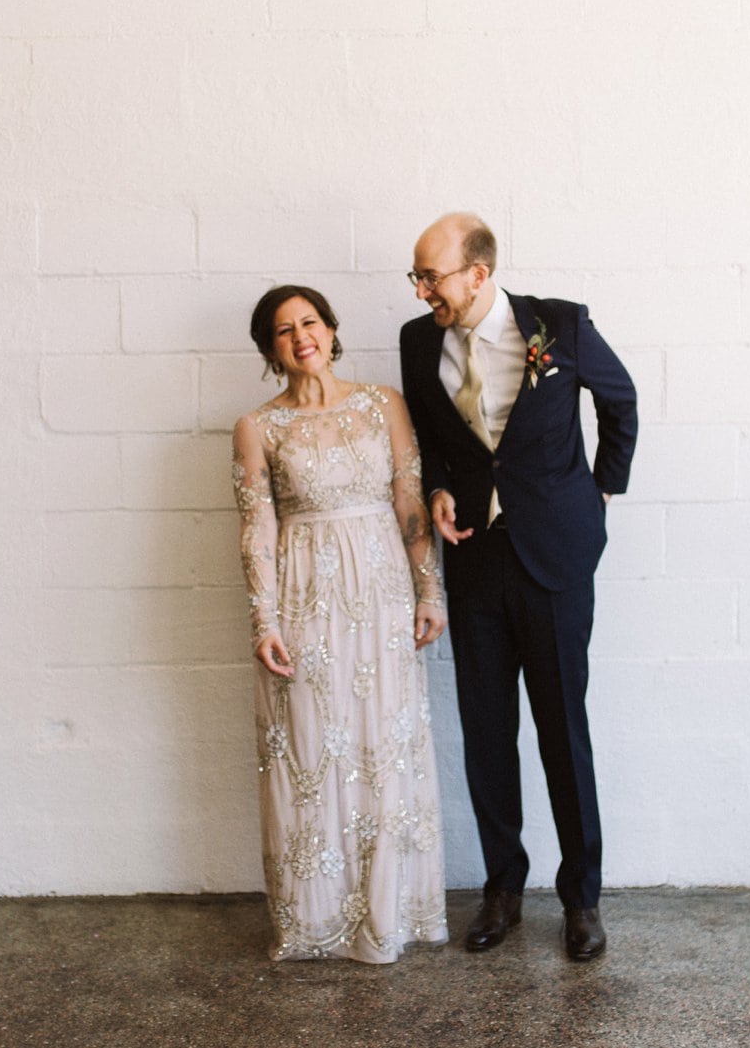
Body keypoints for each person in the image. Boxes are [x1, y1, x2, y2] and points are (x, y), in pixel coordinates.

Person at [398, 213, 638, 962]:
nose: (422, 288)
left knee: (564, 729)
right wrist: (437, 487)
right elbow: (434, 441)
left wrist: (600, 492)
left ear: (478, 271)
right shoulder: (416, 340)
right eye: (417, 276)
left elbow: (620, 399)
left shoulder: (558, 325)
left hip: (556, 558)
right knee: (487, 732)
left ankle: (582, 898)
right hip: (475, 561)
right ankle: (503, 886)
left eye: (431, 274)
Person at [232, 283, 450, 963]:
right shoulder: (257, 426)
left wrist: (429, 590)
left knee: (381, 745)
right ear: (270, 349)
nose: (301, 335)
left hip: (381, 594)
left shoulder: (383, 403)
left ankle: (390, 915)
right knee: (311, 749)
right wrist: (262, 617)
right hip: (304, 600)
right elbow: (256, 526)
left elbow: (409, 499)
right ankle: (316, 921)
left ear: (331, 328)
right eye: (282, 330)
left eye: (310, 321)